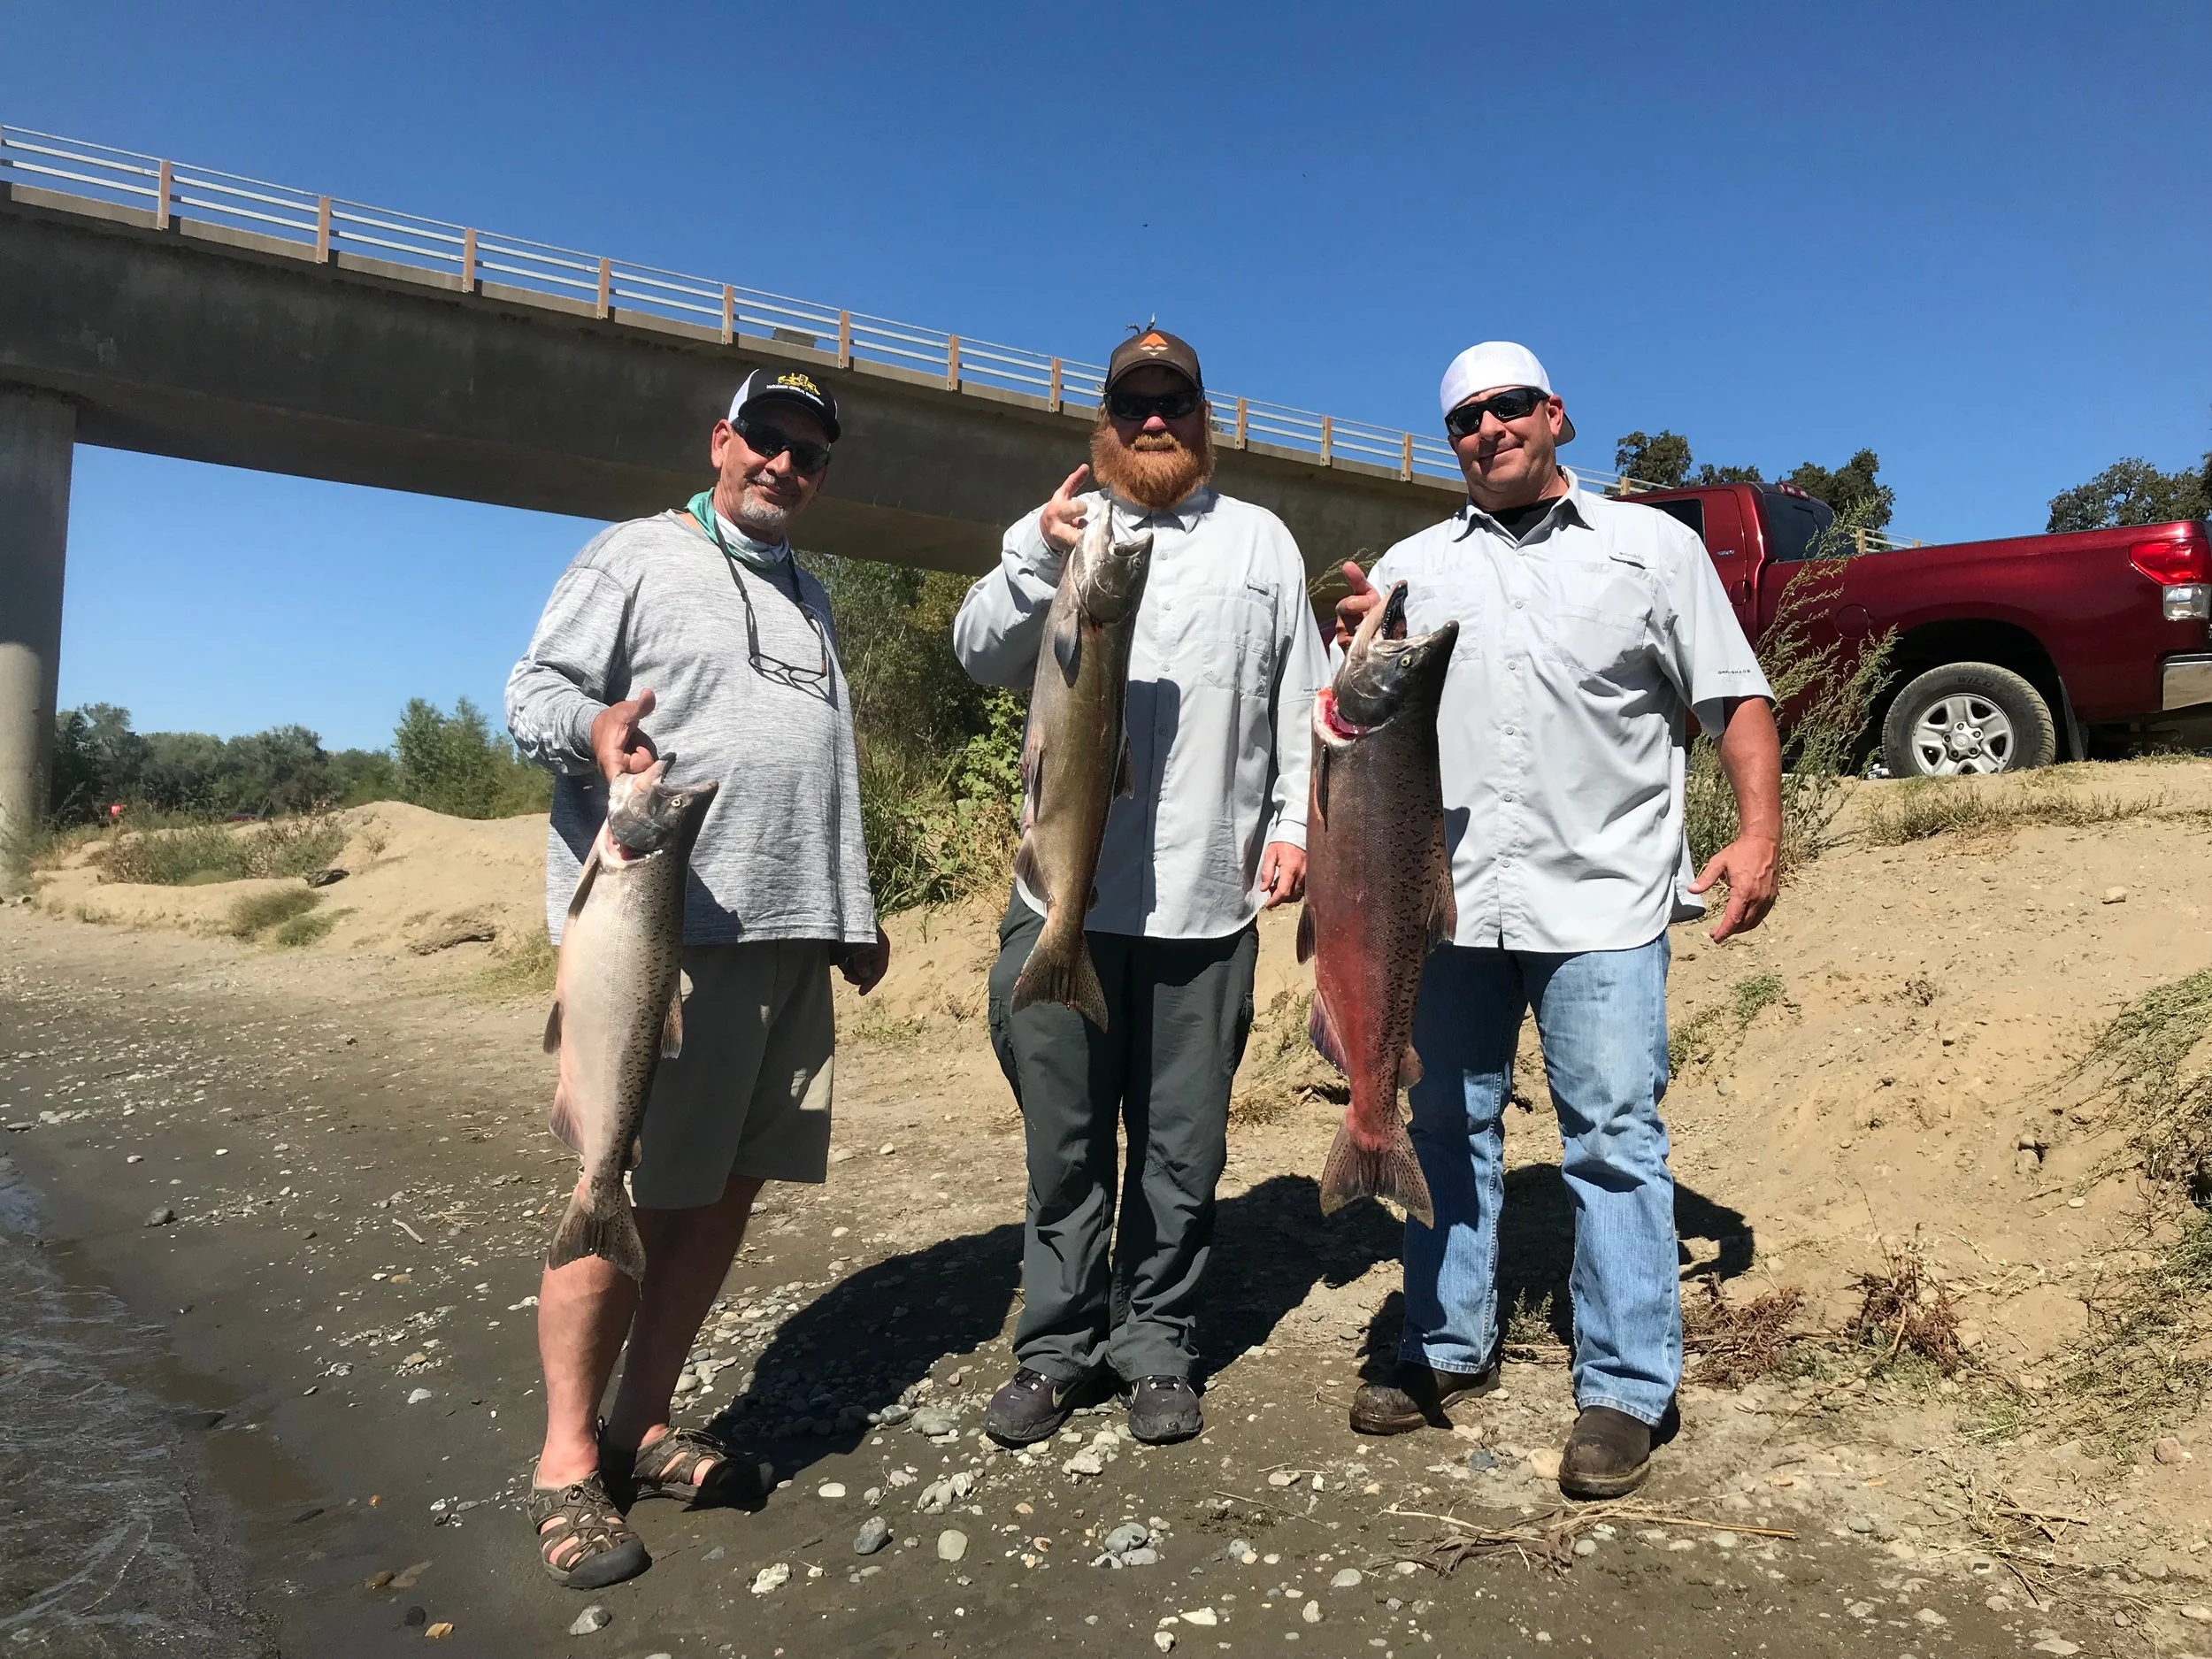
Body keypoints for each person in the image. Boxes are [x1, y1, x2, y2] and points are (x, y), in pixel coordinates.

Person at [1337, 342, 1781, 1500]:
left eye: (1511, 405)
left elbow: (1730, 694)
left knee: (1615, 1138)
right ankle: (1443, 1341)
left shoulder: (1653, 549)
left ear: (1557, 414)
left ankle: (1628, 1385)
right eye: (1467, 417)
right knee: (1444, 1122)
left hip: (1605, 899)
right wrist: (1349, 660)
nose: (1490, 427)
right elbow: (1352, 725)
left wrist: (1760, 831)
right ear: (1454, 442)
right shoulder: (1414, 565)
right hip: (1452, 904)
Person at [503, 369, 892, 1588]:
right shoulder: (633, 554)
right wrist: (596, 732)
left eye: (810, 454)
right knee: (617, 1180)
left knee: (723, 1191)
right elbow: (532, 694)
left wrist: (853, 909)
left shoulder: (811, 593)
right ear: (722, 441)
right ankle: (568, 1462)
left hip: (792, 934)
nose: (785, 465)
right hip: (667, 938)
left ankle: (643, 1425)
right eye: (766, 439)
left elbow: (817, 764)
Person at [953, 328, 1331, 1447]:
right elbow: (977, 652)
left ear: (1204, 417)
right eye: (1133, 405)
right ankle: (1058, 1346)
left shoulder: (1262, 542)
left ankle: (1156, 1339)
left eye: (1173, 404)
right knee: (1064, 1144)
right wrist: (1032, 544)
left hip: (1208, 905)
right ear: (1103, 419)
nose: (1153, 422)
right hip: (1062, 898)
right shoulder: (1066, 534)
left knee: (1182, 1146)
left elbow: (1300, 700)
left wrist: (1294, 832)